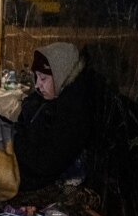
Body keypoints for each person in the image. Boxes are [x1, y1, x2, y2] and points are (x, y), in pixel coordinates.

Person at [11, 41, 92, 191]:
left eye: (43, 78)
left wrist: (12, 139)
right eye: (36, 77)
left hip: (32, 177)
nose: (37, 85)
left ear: (60, 74)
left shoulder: (71, 115)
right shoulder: (47, 97)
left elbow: (43, 163)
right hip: (22, 162)